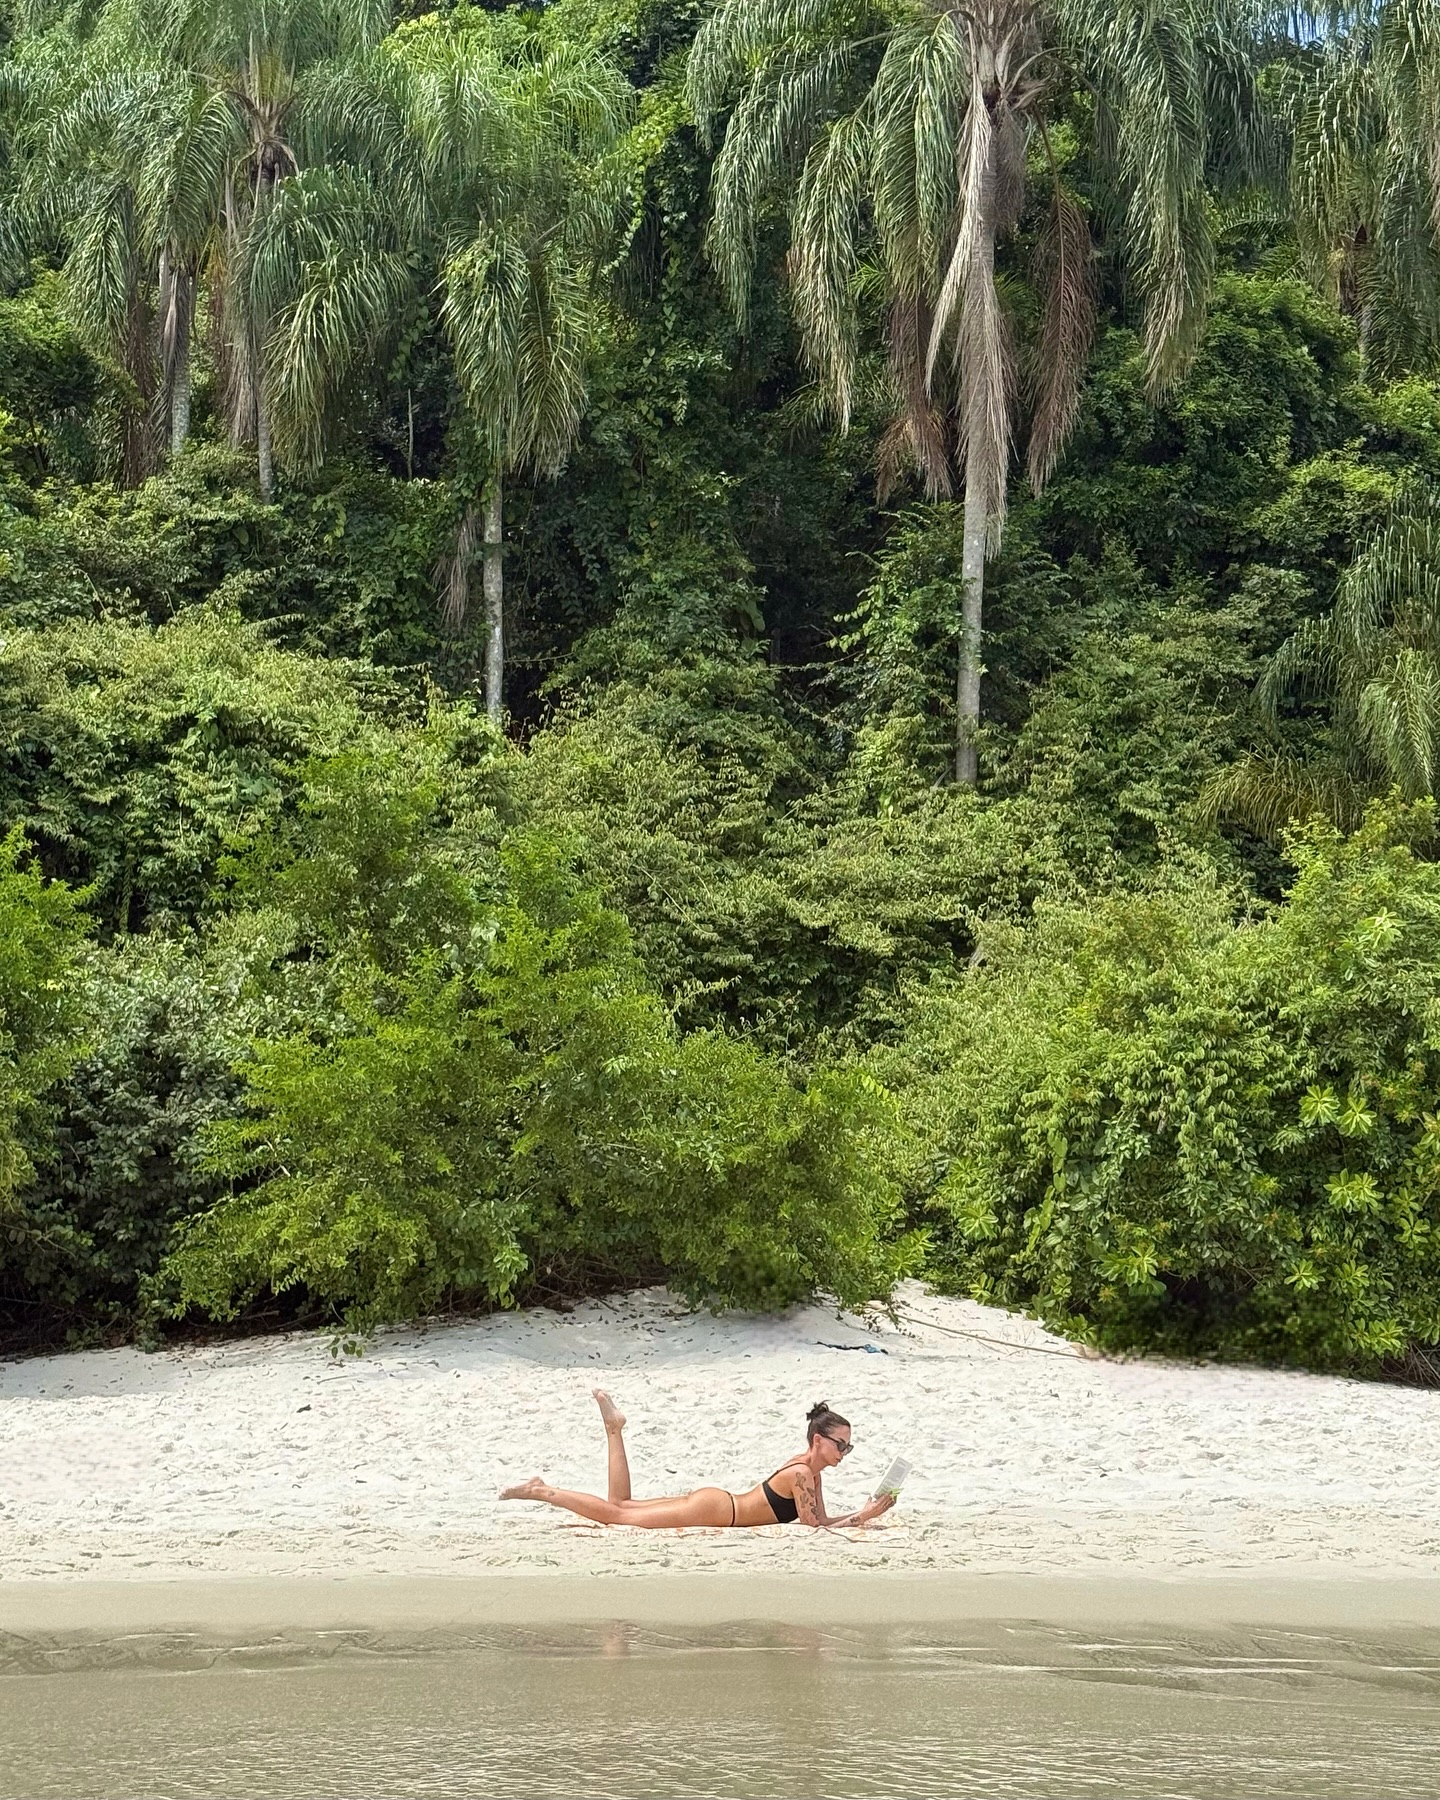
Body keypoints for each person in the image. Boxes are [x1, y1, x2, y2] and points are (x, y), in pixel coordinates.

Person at [500, 1393, 897, 1529]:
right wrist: (865, 1516)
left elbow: (821, 1521)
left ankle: (614, 1429)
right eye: (841, 1445)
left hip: (717, 1503)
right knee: (617, 1516)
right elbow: (814, 1530)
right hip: (716, 1510)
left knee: (621, 1504)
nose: (844, 1453)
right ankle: (542, 1491)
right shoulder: (801, 1475)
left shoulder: (809, 1472)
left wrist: (863, 1512)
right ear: (818, 1440)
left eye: (848, 1447)